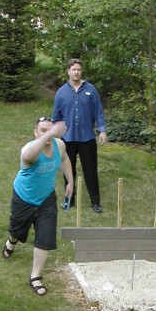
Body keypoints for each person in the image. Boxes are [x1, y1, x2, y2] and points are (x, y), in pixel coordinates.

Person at [1, 117, 74, 296]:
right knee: (17, 230)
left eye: (50, 129)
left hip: (46, 199)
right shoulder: (29, 149)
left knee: (45, 237)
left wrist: (70, 181)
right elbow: (28, 157)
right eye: (42, 130)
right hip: (24, 198)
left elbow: (64, 159)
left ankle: (35, 276)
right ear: (36, 132)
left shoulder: (59, 145)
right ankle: (12, 241)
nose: (47, 133)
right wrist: (49, 134)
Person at [52, 58, 107, 213]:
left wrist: (102, 130)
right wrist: (55, 135)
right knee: (68, 172)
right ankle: (70, 200)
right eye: (73, 69)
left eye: (78, 70)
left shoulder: (91, 90)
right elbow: (56, 117)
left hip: (87, 138)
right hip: (67, 139)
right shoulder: (61, 93)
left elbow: (99, 112)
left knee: (91, 171)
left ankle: (95, 202)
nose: (76, 72)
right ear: (68, 71)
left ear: (81, 72)